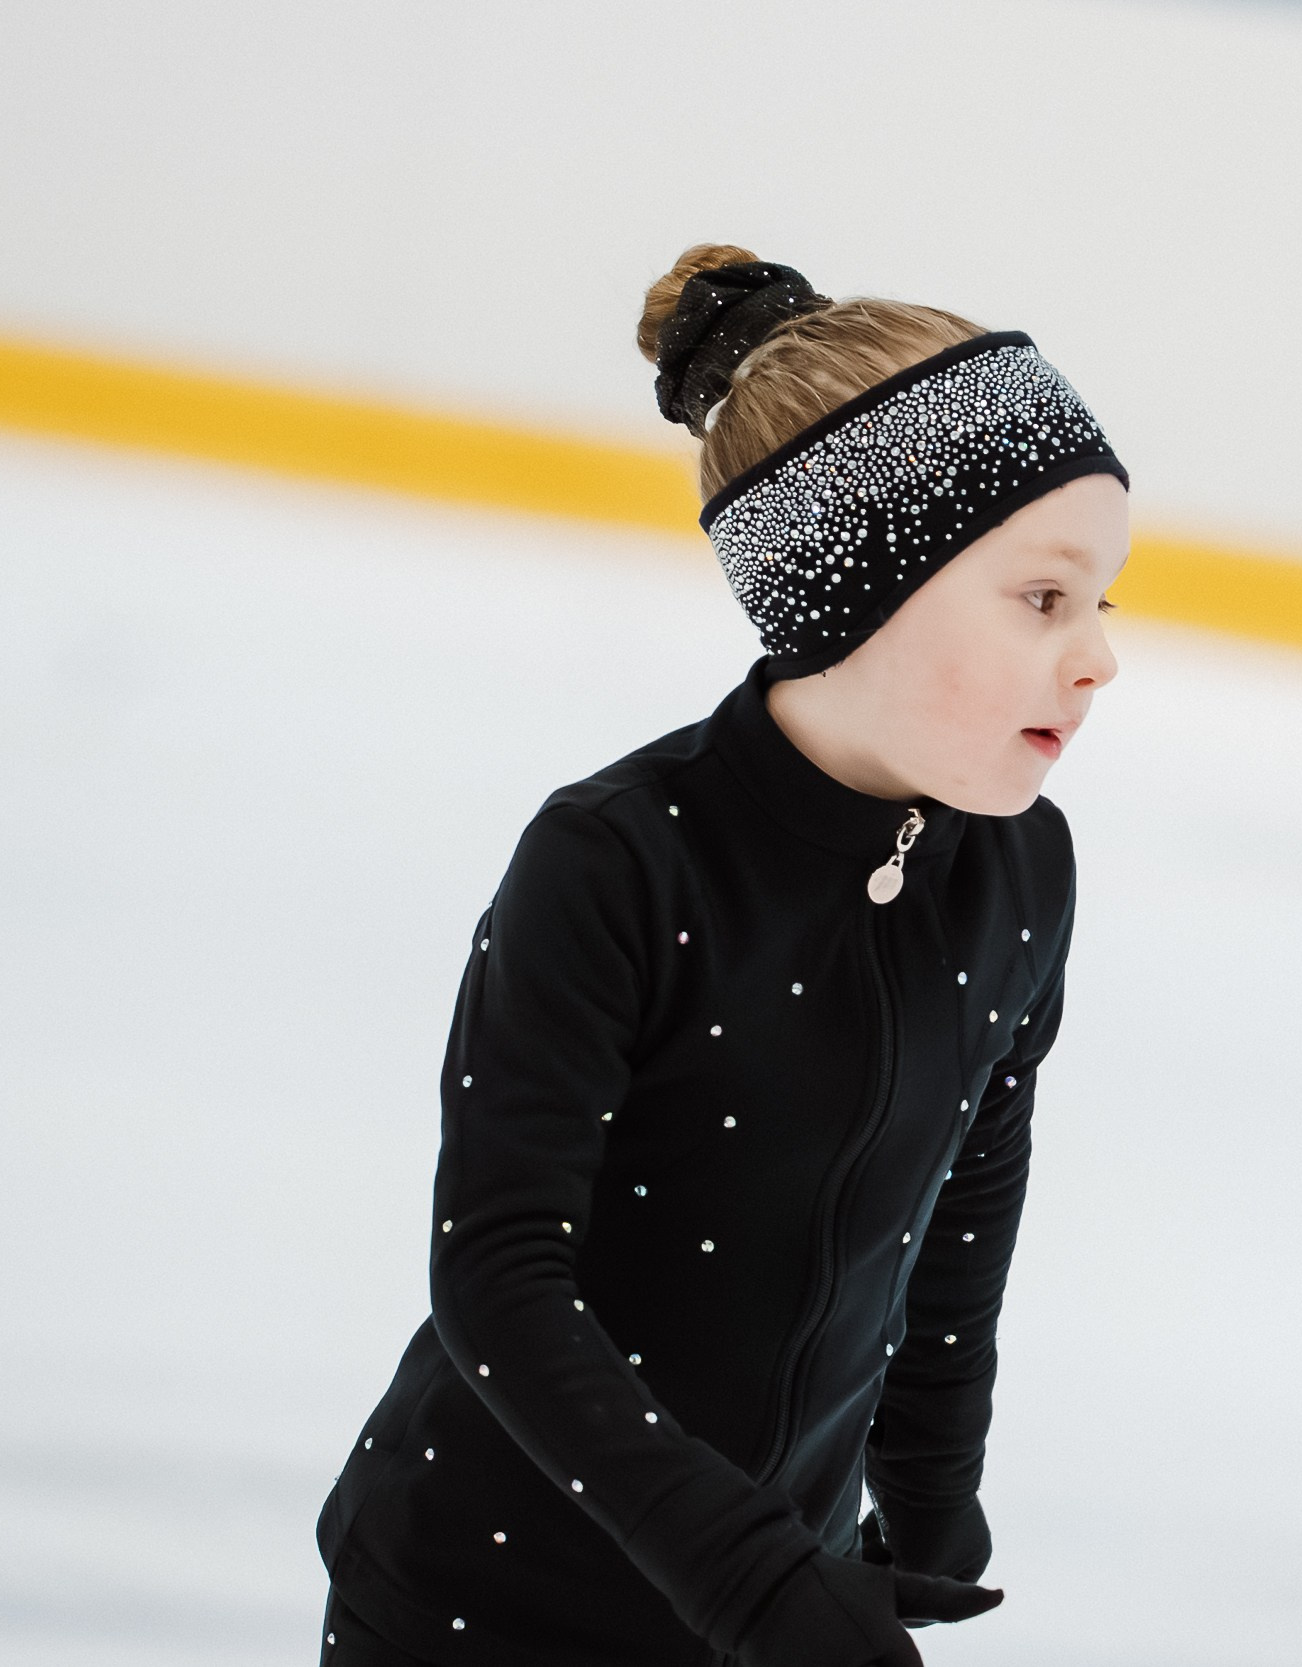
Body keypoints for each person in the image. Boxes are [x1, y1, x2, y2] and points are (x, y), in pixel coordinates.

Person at [313, 244, 1130, 1666]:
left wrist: (929, 1499)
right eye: (1045, 599)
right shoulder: (621, 861)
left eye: (1103, 600)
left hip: (763, 1613)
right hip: (477, 1606)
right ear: (867, 585)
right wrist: (754, 1577)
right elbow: (501, 1273)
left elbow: (963, 1204)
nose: (1101, 657)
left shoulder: (1015, 871)